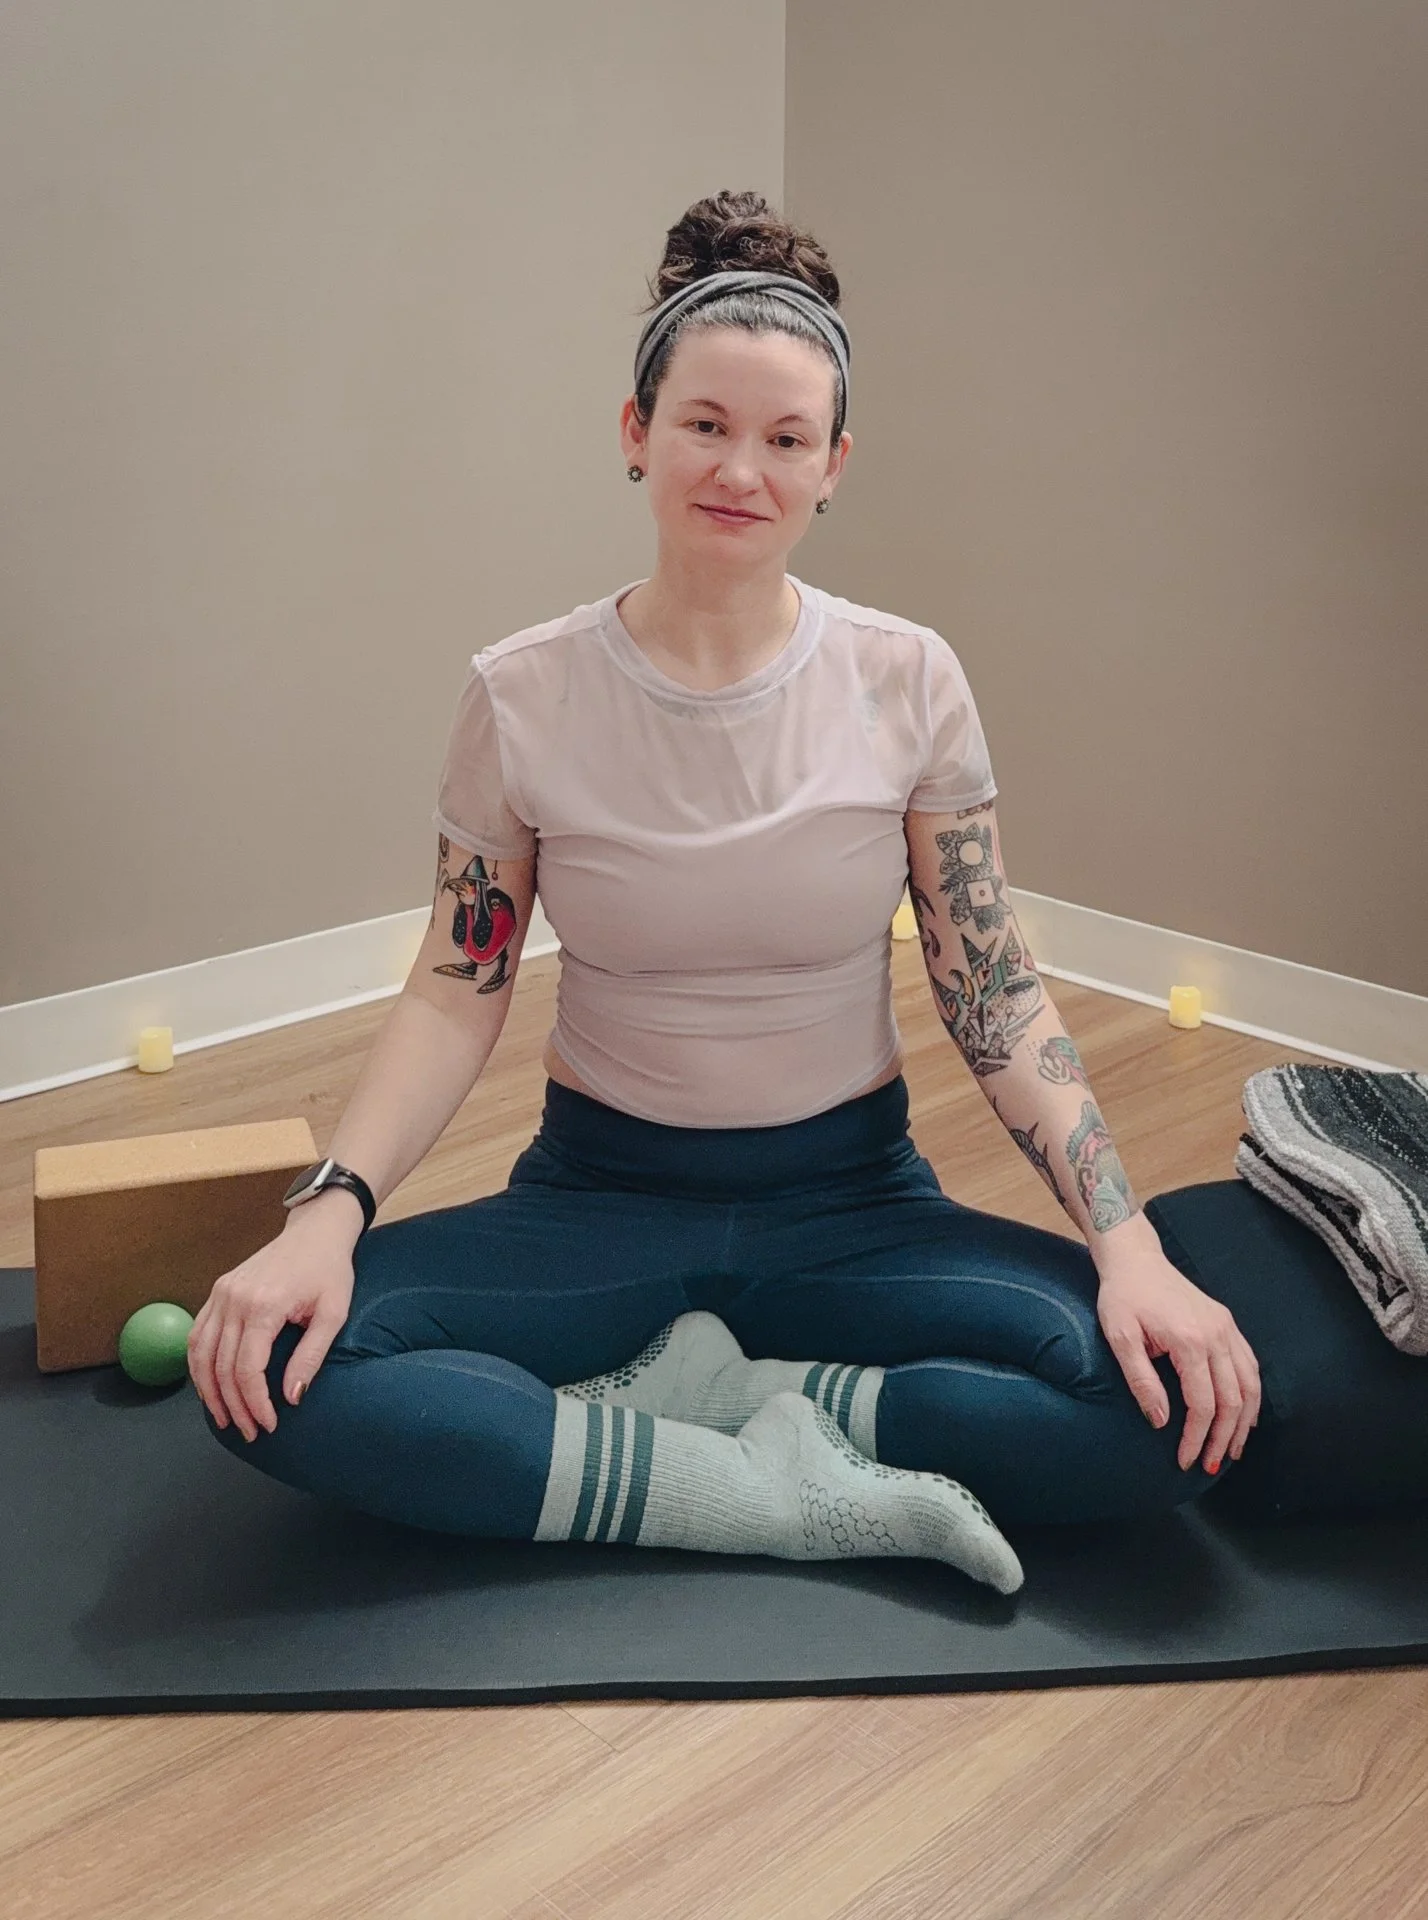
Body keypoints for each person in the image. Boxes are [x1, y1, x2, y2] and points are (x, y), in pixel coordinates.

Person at [189, 190, 1261, 1596]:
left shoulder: (908, 679)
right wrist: (325, 1216)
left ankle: (732, 1413)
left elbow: (990, 992)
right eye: (704, 425)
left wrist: (1128, 1248)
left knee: (1157, 1416)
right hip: (602, 1197)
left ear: (834, 466)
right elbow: (460, 985)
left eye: (785, 439)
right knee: (275, 1371)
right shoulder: (523, 695)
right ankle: (742, 1478)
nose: (739, 469)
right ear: (635, 433)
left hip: (853, 1202)